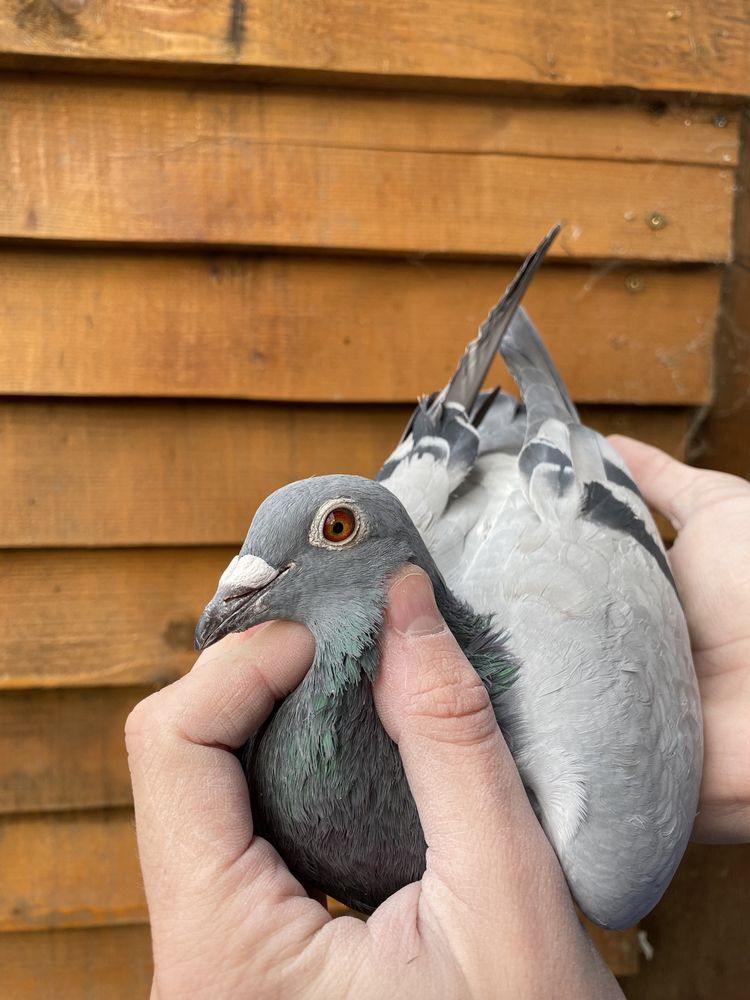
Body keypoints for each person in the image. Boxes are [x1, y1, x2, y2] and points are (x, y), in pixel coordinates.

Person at [126, 438, 750, 998]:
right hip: (481, 501)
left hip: (539, 515)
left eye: (336, 527)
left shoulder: (592, 767)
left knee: (620, 878)